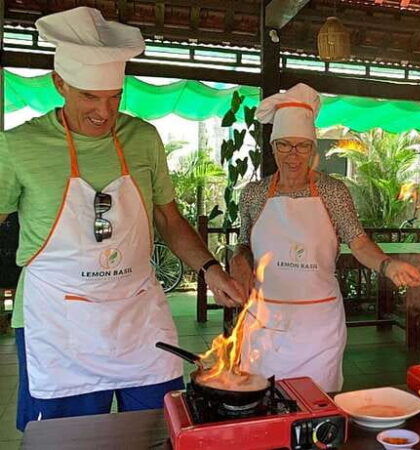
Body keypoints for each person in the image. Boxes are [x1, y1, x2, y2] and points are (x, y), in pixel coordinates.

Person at [0, 7, 245, 431]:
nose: (103, 112)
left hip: (137, 314)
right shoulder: (19, 146)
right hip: (59, 324)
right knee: (65, 440)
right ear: (59, 83)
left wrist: (211, 269)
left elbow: (168, 218)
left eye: (114, 97)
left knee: (159, 428)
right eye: (89, 97)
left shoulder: (142, 138)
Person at [230, 83, 420, 392]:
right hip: (265, 324)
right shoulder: (253, 195)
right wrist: (237, 259)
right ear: (272, 146)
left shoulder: (333, 192)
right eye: (284, 145)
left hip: (317, 328)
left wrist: (387, 266)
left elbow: (358, 242)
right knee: (263, 407)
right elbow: (242, 243)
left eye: (302, 146)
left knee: (320, 411)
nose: (293, 155)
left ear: (312, 149)